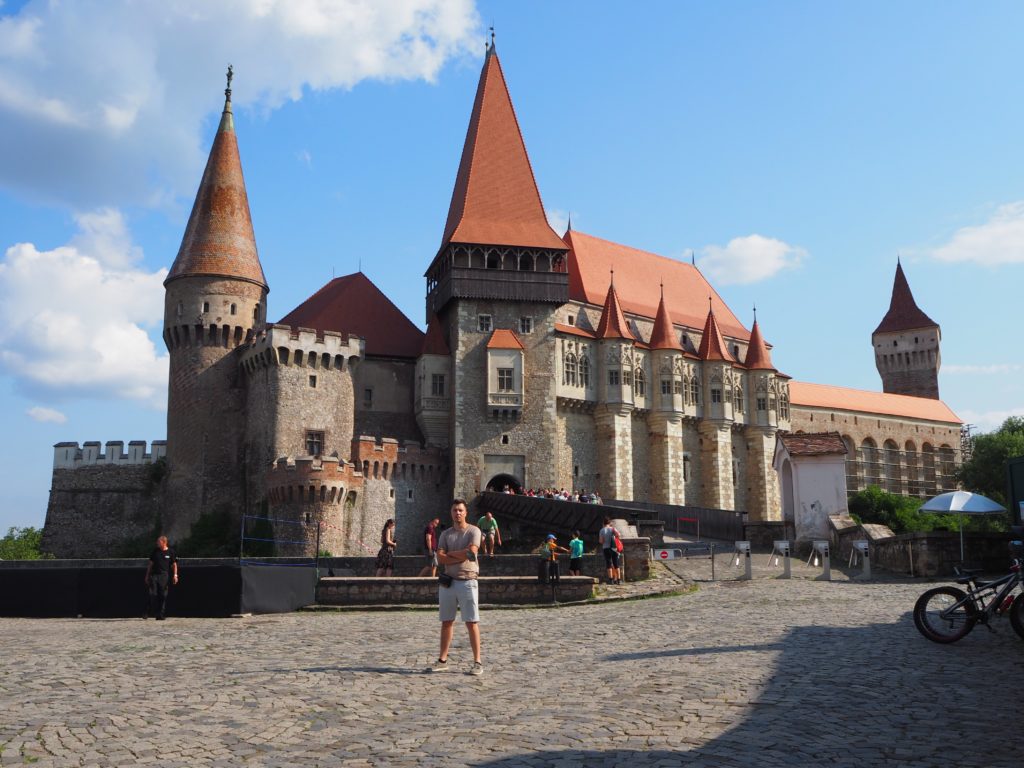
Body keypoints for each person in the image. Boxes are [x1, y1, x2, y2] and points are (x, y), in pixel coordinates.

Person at [429, 499, 483, 676]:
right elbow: (440, 558)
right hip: (448, 582)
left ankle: (477, 662)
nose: (457, 513)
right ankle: (442, 660)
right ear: (451, 513)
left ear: (466, 512)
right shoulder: (445, 534)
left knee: (471, 622)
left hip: (467, 580)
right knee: (446, 622)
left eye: (460, 510)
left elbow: (471, 553)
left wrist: (449, 555)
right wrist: (459, 556)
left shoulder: (474, 531)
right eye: (454, 510)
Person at [144, 535, 178, 620]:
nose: (157, 543)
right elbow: (150, 564)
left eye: (158, 542)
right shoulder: (155, 551)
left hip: (164, 575)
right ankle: (147, 611)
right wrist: (147, 576)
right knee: (153, 594)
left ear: (164, 542)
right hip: (154, 575)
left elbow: (174, 565)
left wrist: (175, 575)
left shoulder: (171, 552)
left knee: (163, 595)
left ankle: (160, 614)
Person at [599, 517, 621, 584]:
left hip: (606, 548)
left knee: (608, 564)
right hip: (614, 548)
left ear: (603, 523)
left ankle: (611, 580)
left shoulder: (602, 530)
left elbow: (601, 541)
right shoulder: (613, 529)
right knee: (616, 564)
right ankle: (618, 580)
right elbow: (618, 535)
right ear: (609, 523)